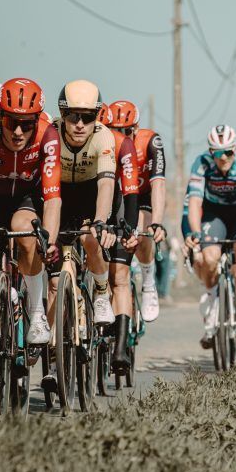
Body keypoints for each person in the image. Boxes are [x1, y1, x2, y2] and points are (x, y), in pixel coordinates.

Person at [0, 78, 61, 344]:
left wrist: (49, 239)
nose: (17, 131)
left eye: (26, 124)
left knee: (25, 230)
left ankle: (36, 311)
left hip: (27, 197)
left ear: (37, 121)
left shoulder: (48, 135)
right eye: (10, 122)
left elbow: (53, 198)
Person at [47, 80, 118, 383]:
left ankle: (101, 292)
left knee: (90, 238)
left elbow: (106, 185)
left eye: (87, 117)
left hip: (91, 195)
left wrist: (101, 220)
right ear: (62, 114)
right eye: (73, 116)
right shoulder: (50, 133)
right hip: (58, 196)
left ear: (97, 117)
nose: (79, 124)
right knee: (52, 278)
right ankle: (52, 350)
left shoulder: (104, 138)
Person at [184, 125, 236, 350]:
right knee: (210, 257)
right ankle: (212, 295)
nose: (224, 157)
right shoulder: (201, 163)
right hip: (214, 213)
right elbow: (195, 202)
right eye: (218, 153)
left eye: (228, 152)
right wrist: (195, 232)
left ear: (235, 150)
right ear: (210, 152)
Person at [103, 100, 166, 322]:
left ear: (136, 129)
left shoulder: (151, 141)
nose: (122, 136)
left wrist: (156, 222)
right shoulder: (105, 143)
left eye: (127, 131)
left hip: (144, 194)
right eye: (115, 131)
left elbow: (158, 183)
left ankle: (149, 281)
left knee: (141, 225)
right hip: (119, 196)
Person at [98, 103, 140, 371]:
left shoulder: (123, 144)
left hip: (118, 206)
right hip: (90, 209)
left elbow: (131, 191)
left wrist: (129, 230)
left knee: (120, 277)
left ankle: (121, 348)